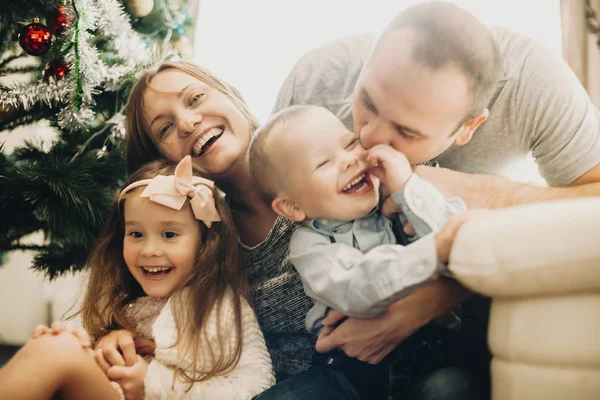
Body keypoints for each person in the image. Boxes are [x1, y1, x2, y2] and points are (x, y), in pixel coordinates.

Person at [93, 59, 479, 400]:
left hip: (418, 360)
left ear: (233, 96)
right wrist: (116, 335)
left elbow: (470, 242)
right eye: (165, 128)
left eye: (194, 99)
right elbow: (153, 294)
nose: (188, 122)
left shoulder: (346, 167)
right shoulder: (202, 236)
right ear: (164, 160)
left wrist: (400, 319)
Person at [270, 1, 600, 397]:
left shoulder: (531, 81)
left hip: (450, 322)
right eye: (367, 103)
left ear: (468, 127)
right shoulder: (318, 81)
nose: (370, 139)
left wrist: (476, 195)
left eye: (405, 131)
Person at [248, 104, 483, 399]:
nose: (349, 160)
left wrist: (408, 188)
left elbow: (460, 239)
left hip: (433, 361)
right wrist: (433, 251)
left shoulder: (405, 201)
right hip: (350, 376)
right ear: (292, 207)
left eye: (350, 143)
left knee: (454, 387)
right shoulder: (309, 245)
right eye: (323, 163)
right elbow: (357, 288)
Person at [0, 156, 274, 399]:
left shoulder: (221, 306)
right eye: (136, 234)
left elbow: (258, 388)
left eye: (169, 234)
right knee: (54, 346)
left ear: (204, 242)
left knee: (55, 352)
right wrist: (96, 341)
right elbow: (89, 342)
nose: (149, 250)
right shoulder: (119, 296)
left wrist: (152, 383)